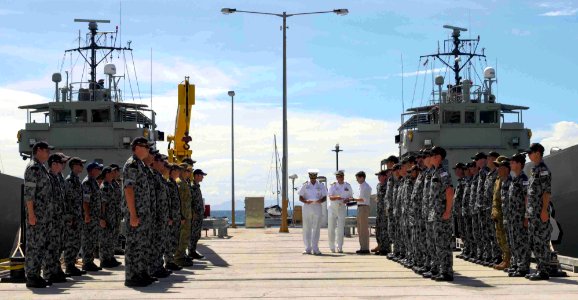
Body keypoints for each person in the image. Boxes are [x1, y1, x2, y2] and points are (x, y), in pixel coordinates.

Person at [123, 137, 154, 287]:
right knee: (134, 246)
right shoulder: (132, 165)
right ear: (136, 147)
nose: (148, 149)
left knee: (142, 245)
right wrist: (133, 215)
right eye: (145, 146)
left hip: (143, 214)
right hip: (136, 214)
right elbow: (129, 190)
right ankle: (131, 276)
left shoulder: (140, 165)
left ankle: (141, 273)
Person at [24, 141, 54, 288]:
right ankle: (31, 276)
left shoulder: (41, 168)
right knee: (34, 246)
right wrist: (31, 215)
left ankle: (36, 275)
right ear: (39, 150)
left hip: (44, 217)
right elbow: (29, 194)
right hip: (36, 216)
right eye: (47, 151)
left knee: (41, 246)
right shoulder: (33, 168)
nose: (48, 154)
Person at [524, 143, 552, 281]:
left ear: (537, 153)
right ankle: (540, 269)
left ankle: (544, 271)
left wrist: (544, 210)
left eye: (530, 152)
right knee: (534, 242)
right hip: (533, 213)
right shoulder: (534, 170)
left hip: (539, 213)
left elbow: (546, 192)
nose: (529, 155)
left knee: (541, 242)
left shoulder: (543, 170)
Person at [429, 146, 454, 281]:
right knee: (438, 243)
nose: (430, 157)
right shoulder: (435, 172)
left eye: (432, 155)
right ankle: (441, 269)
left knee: (443, 243)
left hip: (442, 214)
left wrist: (447, 211)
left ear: (438, 157)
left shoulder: (443, 173)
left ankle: (447, 272)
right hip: (436, 214)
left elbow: (449, 192)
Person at [44, 153, 70, 284]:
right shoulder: (48, 178)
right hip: (51, 219)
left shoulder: (57, 178)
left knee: (58, 246)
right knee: (51, 246)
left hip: (59, 219)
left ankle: (55, 269)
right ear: (54, 164)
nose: (63, 166)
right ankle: (49, 273)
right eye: (61, 163)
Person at [63, 157, 88, 277]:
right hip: (72, 218)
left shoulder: (77, 180)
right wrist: (70, 217)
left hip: (78, 217)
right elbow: (67, 201)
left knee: (76, 242)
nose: (82, 167)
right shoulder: (69, 181)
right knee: (70, 242)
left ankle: (72, 264)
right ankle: (69, 266)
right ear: (74, 166)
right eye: (80, 165)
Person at [507, 153, 531, 277]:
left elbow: (527, 199)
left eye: (513, 162)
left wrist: (526, 216)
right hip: (513, 217)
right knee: (514, 241)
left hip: (520, 217)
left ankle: (523, 267)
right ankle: (516, 264)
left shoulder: (524, 180)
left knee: (522, 241)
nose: (511, 164)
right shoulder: (514, 179)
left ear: (519, 164)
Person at [150, 153, 172, 278]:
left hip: (162, 216)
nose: (164, 164)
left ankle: (158, 266)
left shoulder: (159, 177)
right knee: (156, 243)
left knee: (160, 243)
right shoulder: (153, 176)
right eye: (163, 162)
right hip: (157, 217)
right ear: (156, 162)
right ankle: (155, 268)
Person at [298, 169, 327, 255]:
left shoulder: (321, 185)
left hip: (317, 206)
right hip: (307, 206)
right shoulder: (305, 185)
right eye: (311, 178)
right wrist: (306, 201)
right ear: (309, 177)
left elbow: (325, 197)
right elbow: (300, 197)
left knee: (316, 228)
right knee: (307, 227)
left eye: (314, 178)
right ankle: (307, 248)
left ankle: (315, 248)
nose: (313, 179)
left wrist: (320, 201)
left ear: (316, 177)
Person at [82, 161, 103, 272]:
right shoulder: (87, 183)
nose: (99, 171)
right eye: (98, 169)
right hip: (90, 216)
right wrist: (87, 214)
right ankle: (87, 263)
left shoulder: (93, 182)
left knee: (93, 239)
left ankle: (90, 261)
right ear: (92, 170)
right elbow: (85, 201)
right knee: (88, 239)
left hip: (94, 216)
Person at [99, 167, 122, 268]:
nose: (114, 174)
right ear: (107, 174)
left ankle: (110, 257)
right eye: (111, 172)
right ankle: (104, 259)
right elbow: (103, 204)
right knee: (105, 239)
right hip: (107, 217)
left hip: (113, 216)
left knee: (112, 238)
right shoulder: (105, 187)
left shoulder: (111, 185)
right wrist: (102, 218)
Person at [492, 156, 512, 270]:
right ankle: (505, 259)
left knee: (506, 238)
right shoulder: (499, 180)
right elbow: (495, 199)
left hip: (506, 214)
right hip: (498, 214)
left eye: (499, 166)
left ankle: (508, 260)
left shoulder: (509, 181)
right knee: (500, 238)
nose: (497, 169)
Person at [327, 170, 353, 253]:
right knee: (331, 227)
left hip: (342, 207)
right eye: (338, 176)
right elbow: (330, 197)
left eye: (341, 176)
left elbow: (350, 197)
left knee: (341, 227)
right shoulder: (333, 186)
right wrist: (337, 197)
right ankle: (332, 246)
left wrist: (347, 200)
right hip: (333, 207)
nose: (340, 178)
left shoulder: (348, 186)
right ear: (336, 177)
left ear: (343, 176)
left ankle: (340, 246)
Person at [164, 164, 184, 271]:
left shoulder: (174, 184)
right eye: (177, 171)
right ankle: (168, 261)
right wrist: (170, 216)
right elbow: (168, 202)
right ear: (172, 171)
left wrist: (180, 215)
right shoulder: (168, 184)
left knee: (175, 239)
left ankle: (171, 260)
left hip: (176, 216)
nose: (178, 173)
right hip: (171, 217)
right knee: (170, 239)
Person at [174, 163, 193, 267]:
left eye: (190, 171)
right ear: (181, 171)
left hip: (187, 215)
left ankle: (181, 255)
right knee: (181, 237)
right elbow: (179, 201)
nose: (189, 173)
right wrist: (181, 216)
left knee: (185, 237)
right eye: (187, 171)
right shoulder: (180, 183)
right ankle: (178, 257)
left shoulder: (184, 183)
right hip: (183, 216)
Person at [352, 171, 372, 254]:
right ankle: (362, 247)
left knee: (363, 229)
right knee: (360, 229)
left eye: (357, 178)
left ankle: (365, 248)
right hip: (360, 207)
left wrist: (352, 199)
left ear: (362, 177)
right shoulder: (361, 186)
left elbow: (362, 199)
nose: (357, 180)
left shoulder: (366, 187)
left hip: (364, 207)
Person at [189, 169, 207, 260]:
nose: (203, 177)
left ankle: (192, 251)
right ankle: (191, 252)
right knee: (193, 234)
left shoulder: (196, 186)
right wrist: (193, 212)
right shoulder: (192, 187)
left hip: (199, 215)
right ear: (196, 176)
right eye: (201, 175)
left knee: (197, 234)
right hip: (195, 216)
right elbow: (190, 201)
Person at [451, 163, 466, 260]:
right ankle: (460, 248)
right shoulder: (460, 181)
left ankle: (464, 248)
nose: (455, 171)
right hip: (456, 210)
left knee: (462, 230)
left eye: (457, 169)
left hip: (461, 210)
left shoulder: (464, 181)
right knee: (458, 230)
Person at [374, 170, 389, 255]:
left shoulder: (387, 185)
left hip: (384, 211)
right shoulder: (378, 186)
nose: (378, 178)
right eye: (378, 176)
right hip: (379, 211)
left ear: (385, 176)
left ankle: (385, 248)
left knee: (384, 230)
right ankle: (380, 246)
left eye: (380, 176)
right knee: (379, 230)